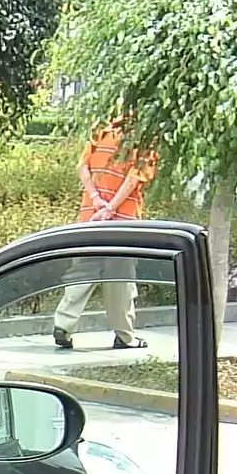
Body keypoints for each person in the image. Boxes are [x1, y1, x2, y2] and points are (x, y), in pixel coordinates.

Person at [52, 118, 159, 351]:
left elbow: (82, 167)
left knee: (82, 271)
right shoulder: (145, 137)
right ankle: (125, 335)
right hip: (123, 222)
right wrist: (111, 208)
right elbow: (134, 177)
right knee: (121, 278)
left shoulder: (100, 131)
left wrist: (97, 201)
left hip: (90, 216)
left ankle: (64, 324)